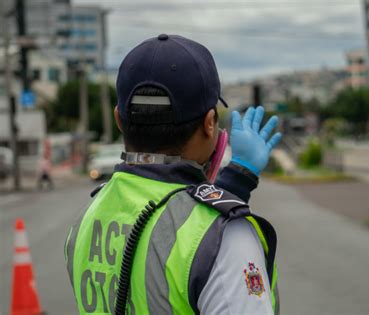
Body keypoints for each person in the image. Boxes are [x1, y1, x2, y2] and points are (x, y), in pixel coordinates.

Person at [65, 34, 282, 315]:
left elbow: (165, 236)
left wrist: (237, 181)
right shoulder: (227, 240)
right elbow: (184, 235)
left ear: (119, 119)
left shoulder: (86, 219)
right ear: (209, 123)